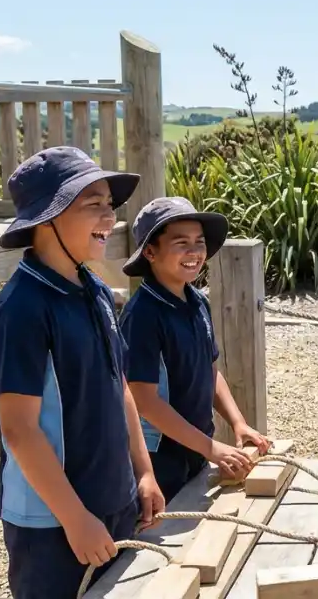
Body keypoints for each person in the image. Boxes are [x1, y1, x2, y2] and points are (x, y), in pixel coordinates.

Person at [0, 146, 166, 599]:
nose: (110, 217)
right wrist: (74, 517)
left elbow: (119, 384)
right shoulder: (22, 309)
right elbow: (19, 430)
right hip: (52, 520)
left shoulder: (97, 291)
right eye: (94, 205)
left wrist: (142, 472)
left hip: (114, 499)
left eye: (110, 204)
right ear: (47, 219)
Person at [119, 197, 272, 504]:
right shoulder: (143, 315)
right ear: (150, 252)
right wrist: (211, 448)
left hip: (197, 445)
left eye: (199, 242)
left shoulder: (197, 301)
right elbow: (144, 401)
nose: (194, 252)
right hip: (158, 456)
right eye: (181, 243)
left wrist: (237, 422)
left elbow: (210, 370)